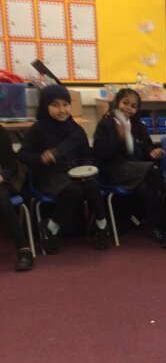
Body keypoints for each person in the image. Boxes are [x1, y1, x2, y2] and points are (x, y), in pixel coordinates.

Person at [19, 85, 110, 253]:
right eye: (55, 105)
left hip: (76, 174)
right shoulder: (38, 129)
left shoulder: (76, 129)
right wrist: (40, 158)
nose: (62, 110)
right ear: (45, 106)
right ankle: (51, 229)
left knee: (92, 186)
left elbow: (86, 154)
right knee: (73, 189)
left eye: (65, 104)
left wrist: (87, 168)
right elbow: (22, 155)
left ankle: (102, 226)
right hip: (49, 176)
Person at [92, 88, 166, 247]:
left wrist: (151, 152)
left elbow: (146, 146)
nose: (128, 108)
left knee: (144, 188)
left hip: (136, 171)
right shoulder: (106, 124)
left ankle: (161, 227)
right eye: (125, 103)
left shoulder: (137, 125)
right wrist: (120, 138)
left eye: (133, 106)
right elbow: (100, 153)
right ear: (117, 102)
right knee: (154, 172)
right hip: (114, 170)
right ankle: (164, 227)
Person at [0, 126, 33, 270]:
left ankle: (23, 249)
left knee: (2, 200)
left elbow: (10, 164)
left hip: (1, 182)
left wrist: (2, 176)